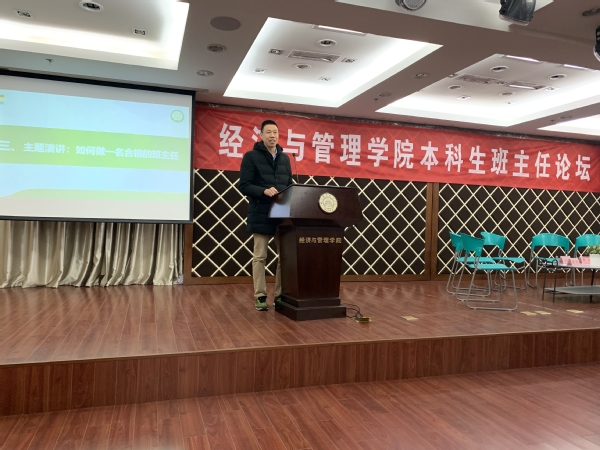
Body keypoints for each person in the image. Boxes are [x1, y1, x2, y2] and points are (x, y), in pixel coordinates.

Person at [239, 120, 293, 311]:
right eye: (268, 132)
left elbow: (289, 184)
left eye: (275, 132)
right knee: (260, 256)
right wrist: (263, 191)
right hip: (261, 212)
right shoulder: (251, 156)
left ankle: (280, 295)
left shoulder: (285, 159)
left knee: (284, 257)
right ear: (261, 135)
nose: (272, 135)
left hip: (281, 214)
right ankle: (260, 296)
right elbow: (244, 185)